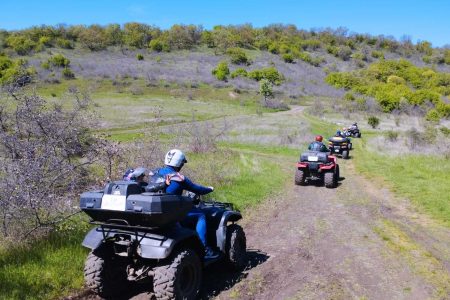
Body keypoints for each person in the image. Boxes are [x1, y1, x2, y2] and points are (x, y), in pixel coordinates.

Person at [157, 149, 218, 259]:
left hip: (159, 211)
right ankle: (204, 248)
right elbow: (198, 189)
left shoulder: (156, 172)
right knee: (200, 216)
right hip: (173, 213)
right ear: (179, 163)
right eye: (182, 163)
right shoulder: (179, 178)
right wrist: (210, 189)